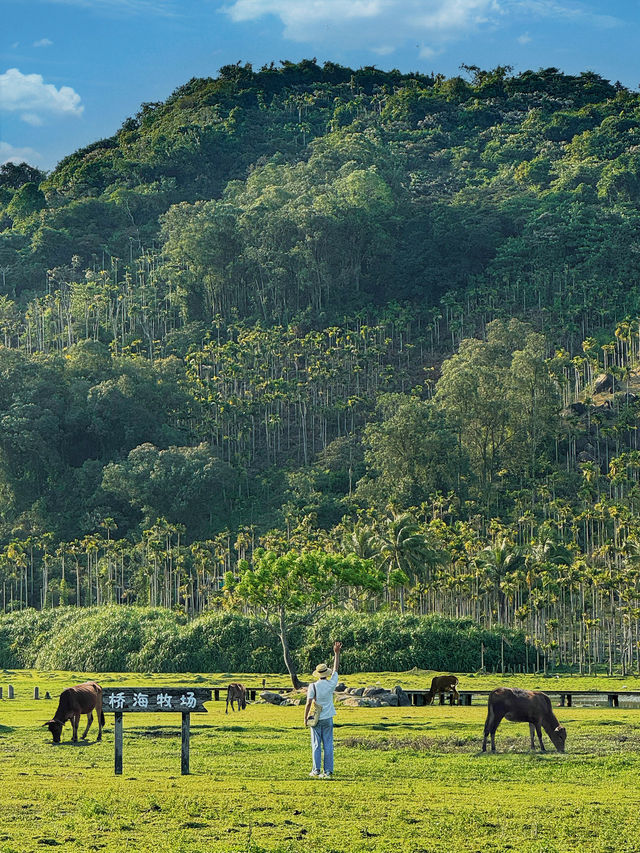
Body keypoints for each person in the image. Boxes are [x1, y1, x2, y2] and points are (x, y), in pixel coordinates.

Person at [304, 640, 342, 779]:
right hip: (328, 717)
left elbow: (308, 703)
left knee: (316, 744)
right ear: (326, 673)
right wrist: (336, 653)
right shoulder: (331, 683)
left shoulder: (312, 686)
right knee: (328, 744)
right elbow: (336, 669)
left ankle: (316, 770)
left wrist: (305, 718)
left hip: (315, 717)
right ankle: (328, 771)